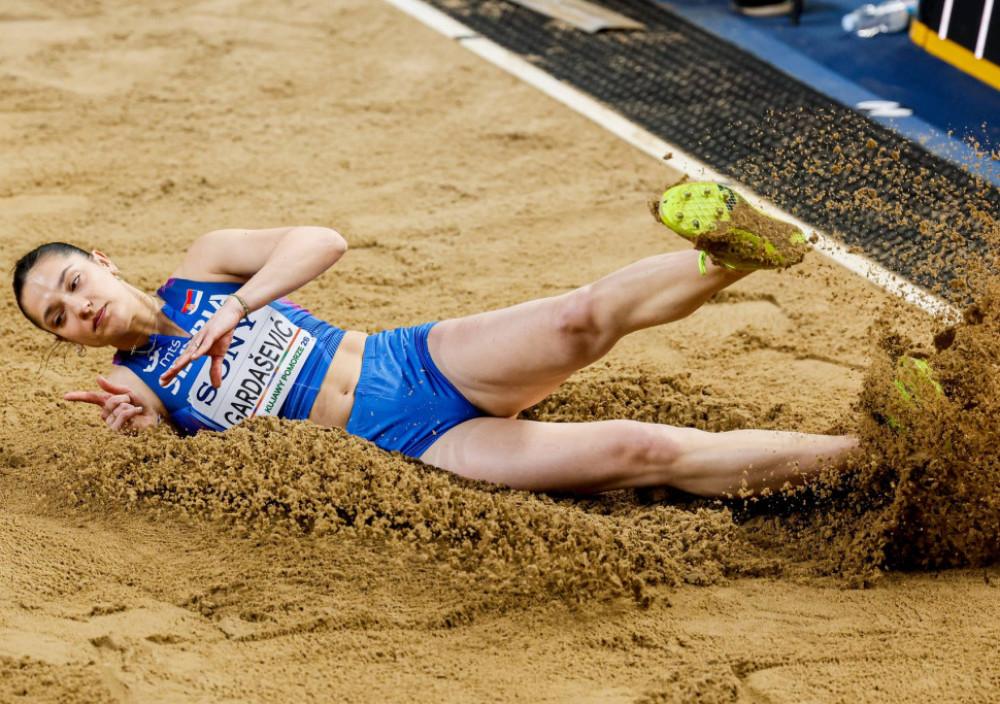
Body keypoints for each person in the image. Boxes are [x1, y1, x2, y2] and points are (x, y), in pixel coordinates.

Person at [12, 183, 859, 497]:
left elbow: (323, 241)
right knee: (642, 451)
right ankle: (874, 457)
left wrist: (239, 305)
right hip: (411, 443)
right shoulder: (133, 389)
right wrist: (153, 435)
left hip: (408, 358)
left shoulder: (205, 267)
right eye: (59, 317)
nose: (78, 310)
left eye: (73, 284)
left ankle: (734, 253)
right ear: (65, 341)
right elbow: (213, 480)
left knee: (577, 317)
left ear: (102, 262)